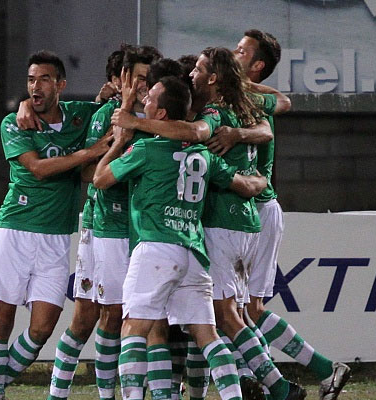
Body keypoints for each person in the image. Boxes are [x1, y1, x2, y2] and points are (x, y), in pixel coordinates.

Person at [112, 48, 305, 400]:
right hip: (224, 230)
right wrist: (260, 176)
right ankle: (256, 386)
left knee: (211, 318)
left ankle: (274, 384)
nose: (192, 75)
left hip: (198, 230)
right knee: (216, 324)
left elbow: (196, 131)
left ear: (212, 79)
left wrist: (132, 123)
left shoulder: (204, 120)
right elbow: (277, 111)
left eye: (199, 70)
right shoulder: (240, 110)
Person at [94, 76, 269, 400]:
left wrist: (118, 143)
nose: (145, 102)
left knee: (133, 329)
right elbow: (243, 186)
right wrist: (261, 181)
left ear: (161, 114)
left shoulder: (146, 149)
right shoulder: (203, 154)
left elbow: (100, 179)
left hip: (156, 248)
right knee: (209, 337)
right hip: (193, 251)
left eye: (151, 99)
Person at [0, 50, 111, 400]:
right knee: (2, 317)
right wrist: (89, 152)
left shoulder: (81, 117)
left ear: (61, 85)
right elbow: (38, 168)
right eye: (30, 80)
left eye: (44, 79)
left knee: (41, 329)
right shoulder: (14, 123)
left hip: (55, 237)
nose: (35, 87)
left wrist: (113, 94)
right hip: (16, 229)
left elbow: (107, 111)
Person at [231, 29, 351, 400]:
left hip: (259, 209)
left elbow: (283, 102)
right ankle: (263, 380)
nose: (234, 54)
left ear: (257, 65)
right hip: (243, 212)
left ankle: (320, 369)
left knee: (246, 307)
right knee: (236, 307)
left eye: (241, 51)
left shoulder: (252, 98)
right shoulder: (238, 97)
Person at [47, 44, 161, 400]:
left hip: (137, 228)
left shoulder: (155, 116)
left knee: (136, 319)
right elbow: (87, 174)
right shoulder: (108, 117)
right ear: (120, 80)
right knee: (105, 315)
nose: (145, 85)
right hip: (110, 226)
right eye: (139, 78)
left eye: (149, 79)